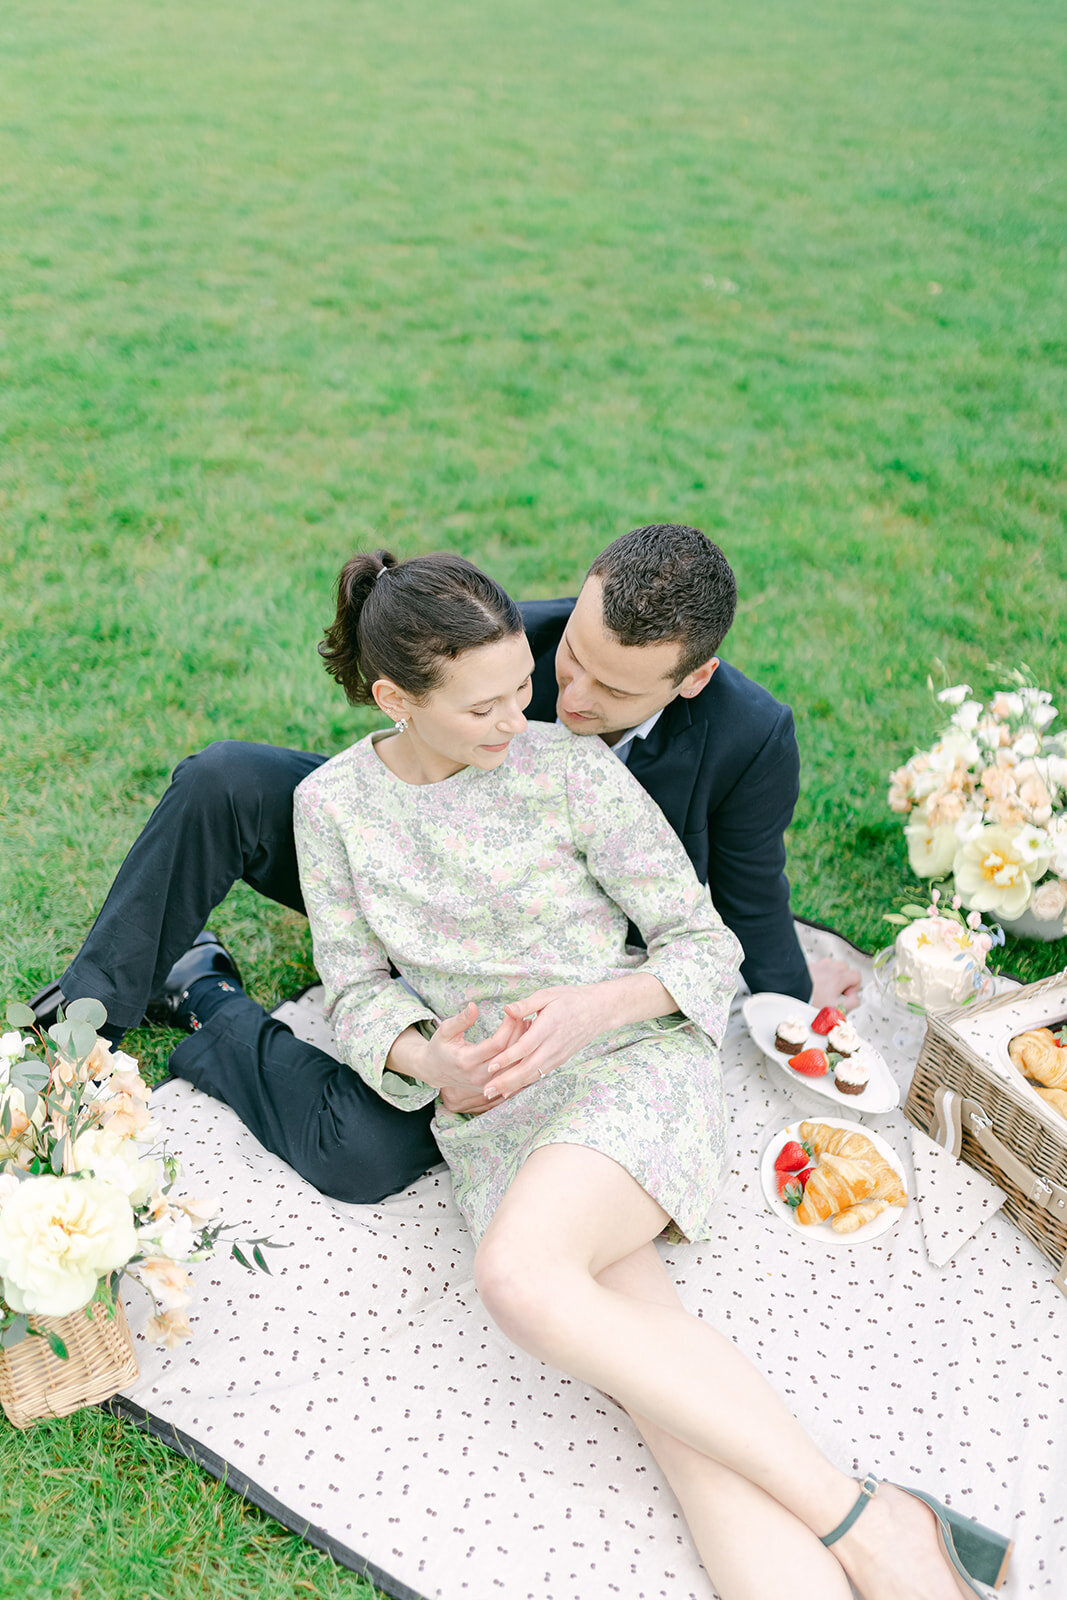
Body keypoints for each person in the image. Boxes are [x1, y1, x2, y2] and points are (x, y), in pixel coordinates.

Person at [289, 546, 1008, 1600]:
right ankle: (876, 1549)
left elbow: (698, 944)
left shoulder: (569, 770)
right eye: (485, 706)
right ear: (395, 697)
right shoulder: (329, 807)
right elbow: (353, 991)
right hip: (497, 1114)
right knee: (657, 1389)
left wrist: (592, 1006)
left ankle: (873, 1522)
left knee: (518, 1278)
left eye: (521, 690)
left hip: (629, 1064)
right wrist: (426, 1056)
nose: (523, 718)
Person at [29, 524, 859, 1200]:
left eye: (610, 692)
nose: (568, 701)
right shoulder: (503, 644)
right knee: (227, 780)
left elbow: (748, 894)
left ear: (692, 680)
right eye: (569, 658)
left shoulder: (750, 738)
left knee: (379, 1145)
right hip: (414, 878)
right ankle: (87, 1020)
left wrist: (788, 1001)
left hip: (545, 950)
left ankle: (204, 994)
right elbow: (401, 772)